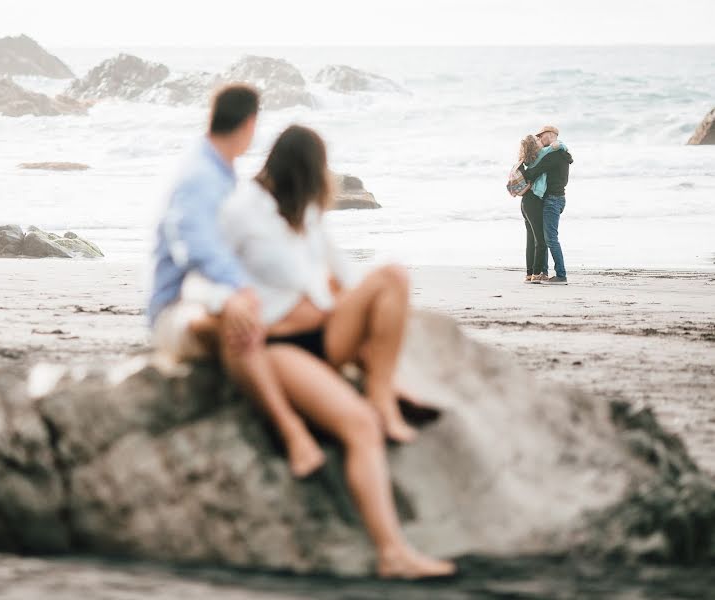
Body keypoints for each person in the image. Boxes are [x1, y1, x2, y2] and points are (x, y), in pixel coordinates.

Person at [187, 125, 456, 579]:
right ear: (298, 171)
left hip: (327, 333)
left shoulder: (304, 210)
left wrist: (366, 337)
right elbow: (200, 277)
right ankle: (392, 552)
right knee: (360, 428)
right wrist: (228, 302)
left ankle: (383, 394)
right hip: (277, 346)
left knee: (392, 275)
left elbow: (343, 274)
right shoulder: (239, 211)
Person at [148, 84, 326, 478]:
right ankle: (290, 430)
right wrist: (238, 290)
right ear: (250, 123)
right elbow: (191, 246)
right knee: (245, 321)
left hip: (207, 302)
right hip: (177, 309)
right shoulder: (201, 176)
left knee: (302, 313)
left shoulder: (220, 173)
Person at [520, 125, 573, 285]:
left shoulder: (555, 153)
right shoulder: (556, 152)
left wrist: (523, 174)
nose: (540, 139)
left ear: (550, 135)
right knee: (543, 237)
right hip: (552, 198)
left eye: (541, 136)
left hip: (553, 199)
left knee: (549, 238)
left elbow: (536, 170)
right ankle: (542, 272)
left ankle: (560, 275)